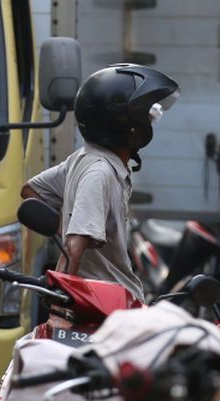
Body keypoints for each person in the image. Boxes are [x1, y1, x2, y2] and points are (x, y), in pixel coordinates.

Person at [21, 64, 179, 302]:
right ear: (128, 124)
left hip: (103, 300)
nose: (150, 121)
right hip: (106, 303)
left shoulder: (84, 159)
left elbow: (32, 190)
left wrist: (65, 226)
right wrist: (59, 308)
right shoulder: (100, 172)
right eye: (145, 116)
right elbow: (74, 245)